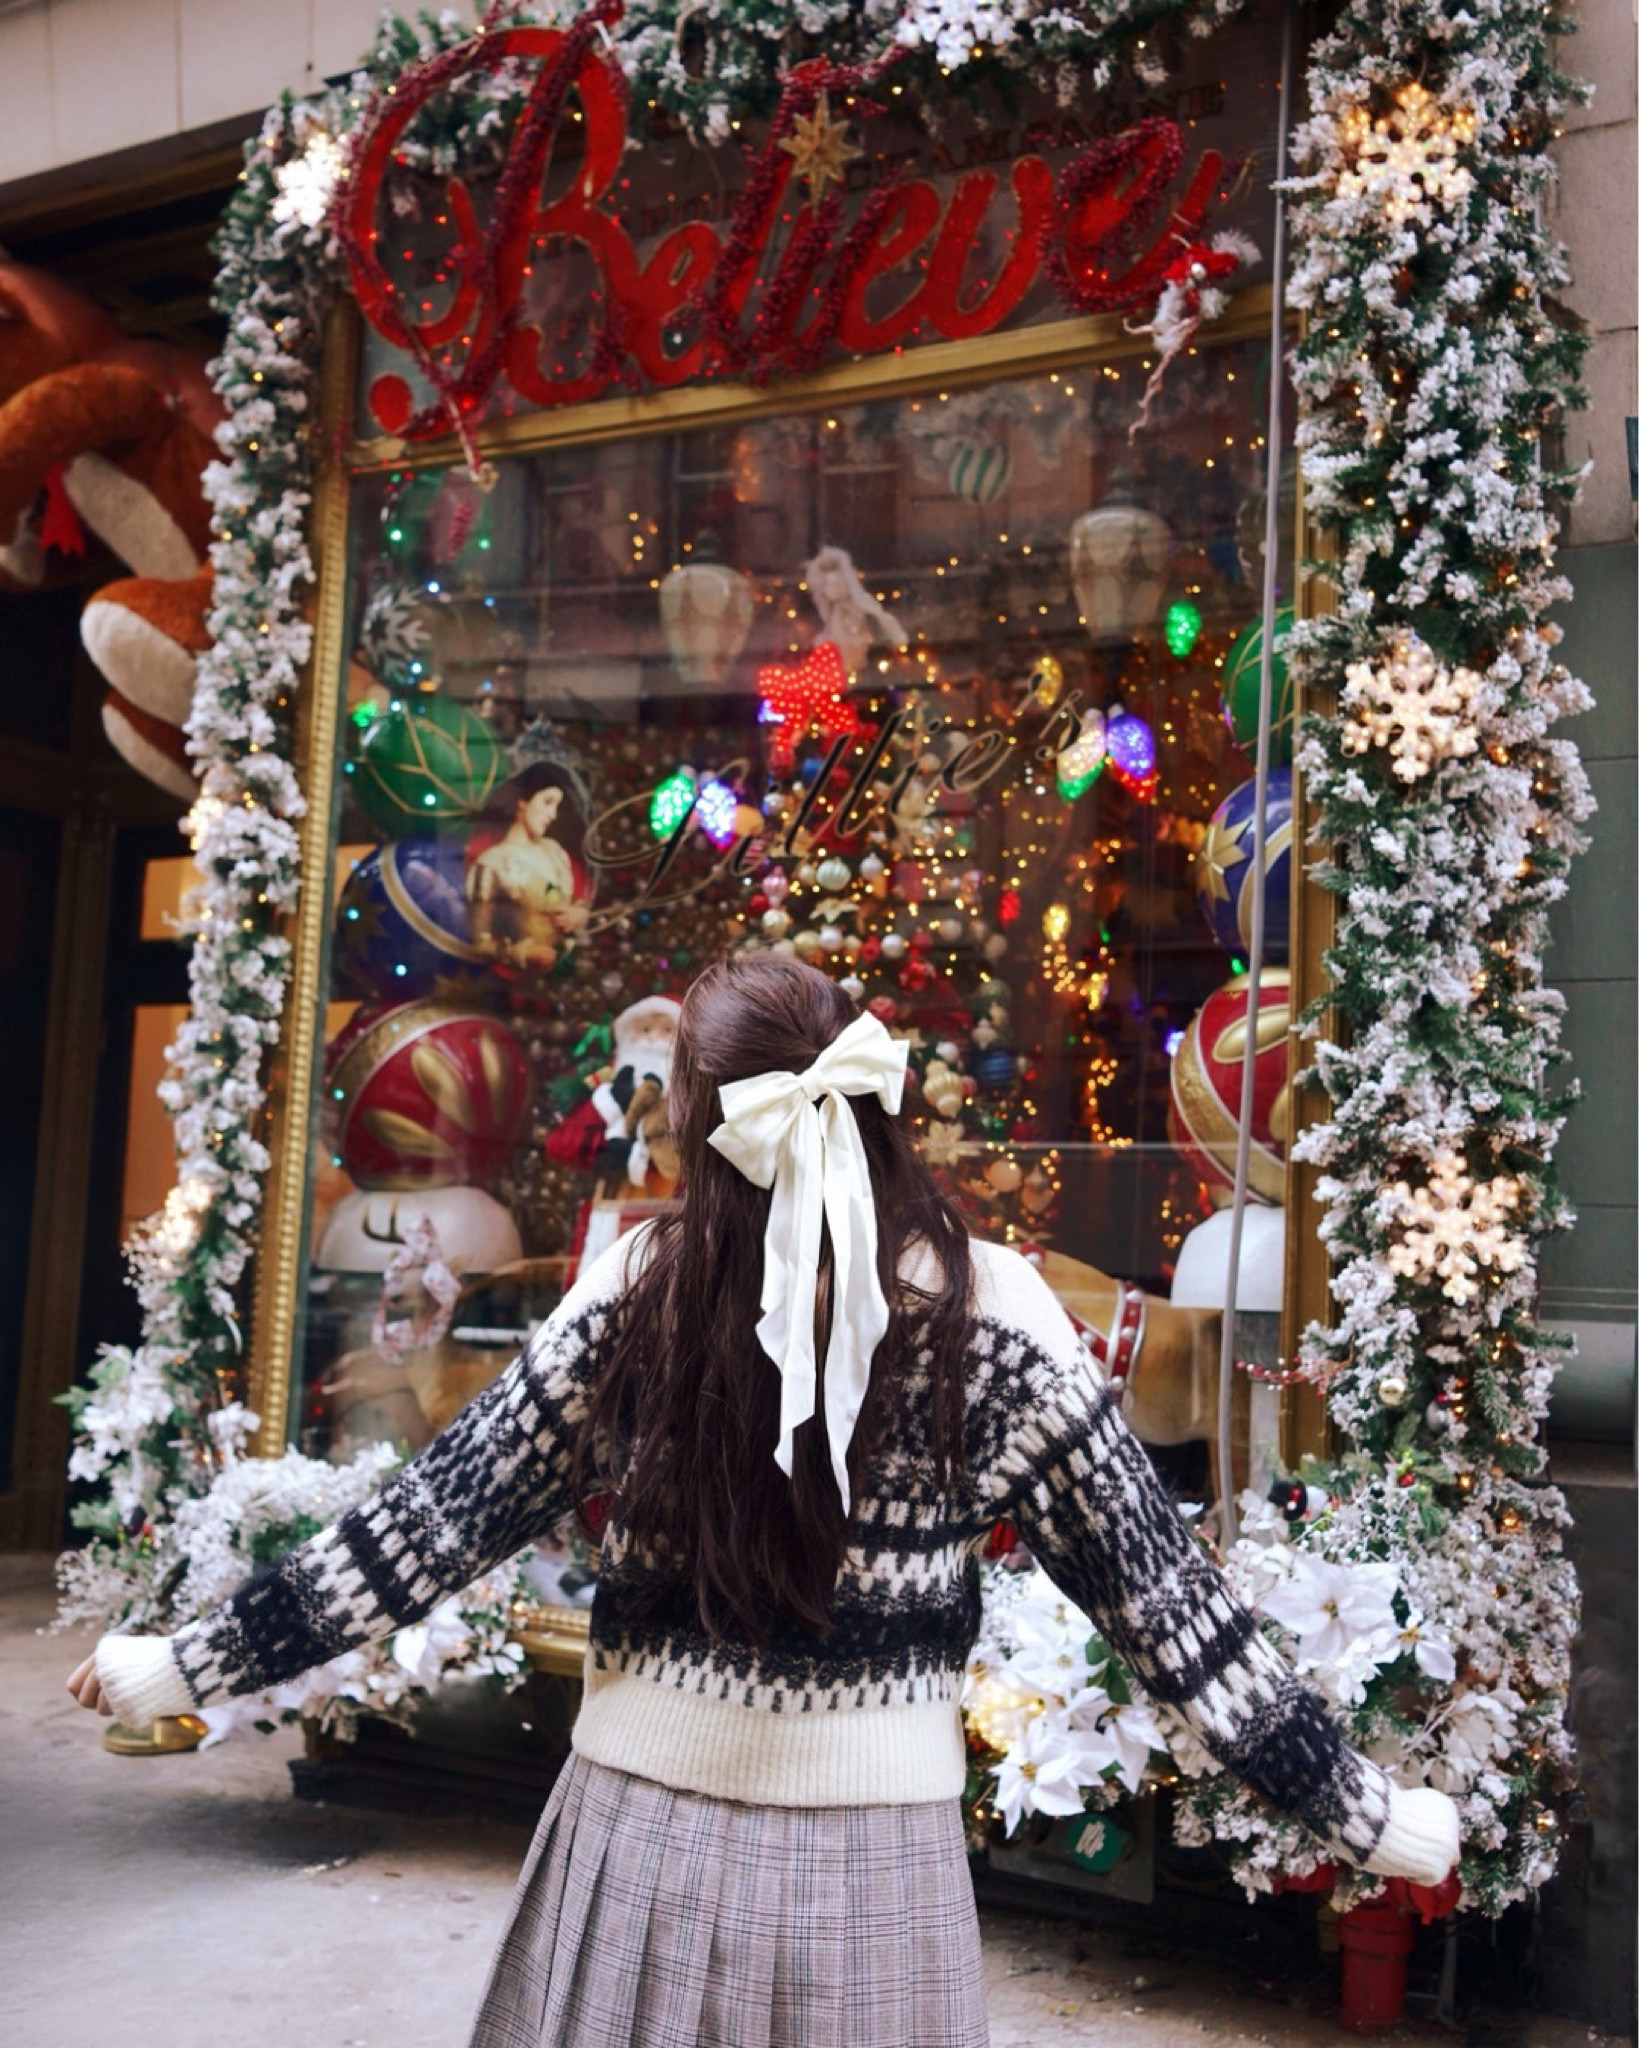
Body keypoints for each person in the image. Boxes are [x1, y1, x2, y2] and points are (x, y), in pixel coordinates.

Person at [70, 953, 1460, 2047]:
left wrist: (186, 1663)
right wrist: (1364, 1813)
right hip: (877, 1870)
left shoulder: (640, 1292)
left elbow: (424, 1529)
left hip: (633, 1845)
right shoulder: (995, 1311)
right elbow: (1175, 1617)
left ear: (694, 1122)